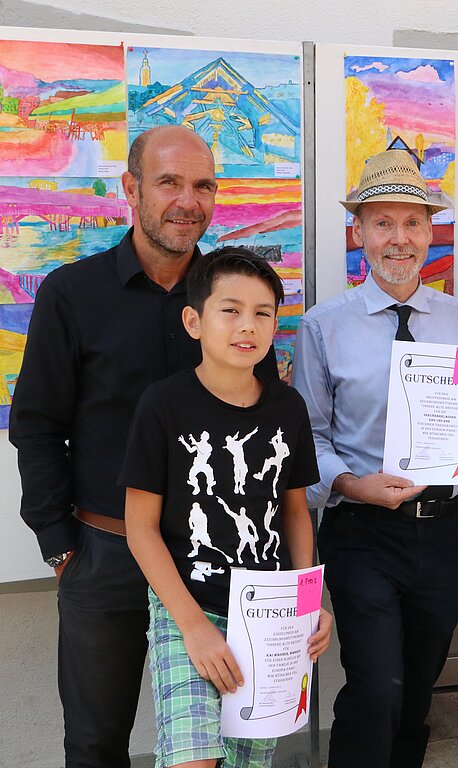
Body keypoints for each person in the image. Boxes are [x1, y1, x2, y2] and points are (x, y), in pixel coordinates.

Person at [9, 125, 277, 768]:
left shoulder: (232, 299)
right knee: (97, 742)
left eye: (203, 185)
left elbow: (260, 428)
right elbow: (38, 423)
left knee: (223, 743)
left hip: (217, 558)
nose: (188, 200)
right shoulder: (73, 293)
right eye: (169, 182)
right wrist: (59, 546)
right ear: (130, 189)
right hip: (106, 555)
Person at [294, 149, 458, 768]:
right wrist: (354, 487)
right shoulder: (322, 326)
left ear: (430, 232)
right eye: (382, 223)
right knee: (377, 686)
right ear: (359, 232)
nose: (399, 239)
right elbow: (309, 439)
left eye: (412, 223)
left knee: (416, 688)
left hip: (446, 533)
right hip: (364, 533)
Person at [120, 246, 332, 768]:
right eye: (230, 310)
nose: (247, 326)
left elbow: (295, 512)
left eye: (263, 313)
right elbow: (140, 526)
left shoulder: (287, 407)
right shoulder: (163, 404)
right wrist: (192, 625)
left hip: (268, 615)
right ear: (194, 320)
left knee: (247, 760)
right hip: (186, 606)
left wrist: (310, 602)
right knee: (192, 757)